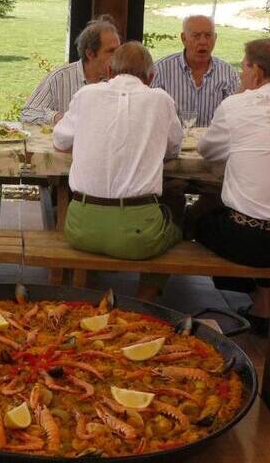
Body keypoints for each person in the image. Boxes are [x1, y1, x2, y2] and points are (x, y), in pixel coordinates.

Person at [53, 42, 183, 301]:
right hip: (138, 237)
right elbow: (173, 149)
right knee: (178, 210)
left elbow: (60, 141)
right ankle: (145, 298)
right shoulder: (161, 99)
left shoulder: (86, 94)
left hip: (80, 229)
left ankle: (86, 293)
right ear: (150, 77)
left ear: (109, 71)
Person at [195, 38, 270, 335]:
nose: (241, 74)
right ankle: (265, 303)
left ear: (258, 71)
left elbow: (208, 151)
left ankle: (257, 297)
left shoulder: (237, 105)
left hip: (247, 241)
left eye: (244, 67)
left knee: (200, 219)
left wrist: (241, 98)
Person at [21, 16, 121, 125]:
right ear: (90, 54)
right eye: (111, 51)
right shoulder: (60, 77)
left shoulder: (121, 82)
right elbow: (28, 113)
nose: (118, 56)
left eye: (119, 50)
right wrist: (58, 118)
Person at [151, 15, 240, 127]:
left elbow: (236, 114)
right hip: (173, 138)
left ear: (215, 38)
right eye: (196, 36)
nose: (203, 41)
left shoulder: (228, 73)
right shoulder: (161, 71)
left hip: (214, 138)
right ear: (184, 38)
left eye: (208, 35)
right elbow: (150, 113)